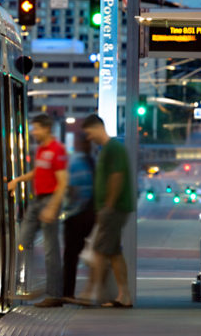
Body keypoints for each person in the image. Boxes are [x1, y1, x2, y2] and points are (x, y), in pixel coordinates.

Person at [8, 114, 68, 307]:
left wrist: (52, 208)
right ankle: (27, 284)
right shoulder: (42, 149)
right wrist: (18, 180)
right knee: (22, 241)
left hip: (50, 200)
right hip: (37, 200)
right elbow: (39, 172)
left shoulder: (57, 150)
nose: (33, 132)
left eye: (36, 128)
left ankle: (54, 294)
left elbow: (63, 182)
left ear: (46, 128)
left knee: (51, 250)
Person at [80, 114, 134, 308]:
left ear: (97, 128)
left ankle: (90, 292)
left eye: (88, 133)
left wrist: (109, 206)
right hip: (111, 209)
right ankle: (123, 296)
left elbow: (116, 177)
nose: (88, 138)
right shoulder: (107, 150)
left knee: (99, 251)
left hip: (114, 209)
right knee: (113, 253)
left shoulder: (113, 149)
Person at [62, 135, 95, 300]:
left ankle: (68, 293)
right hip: (91, 214)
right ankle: (89, 291)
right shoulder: (94, 163)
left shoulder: (76, 163)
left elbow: (72, 190)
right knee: (89, 253)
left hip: (76, 215)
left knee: (70, 256)